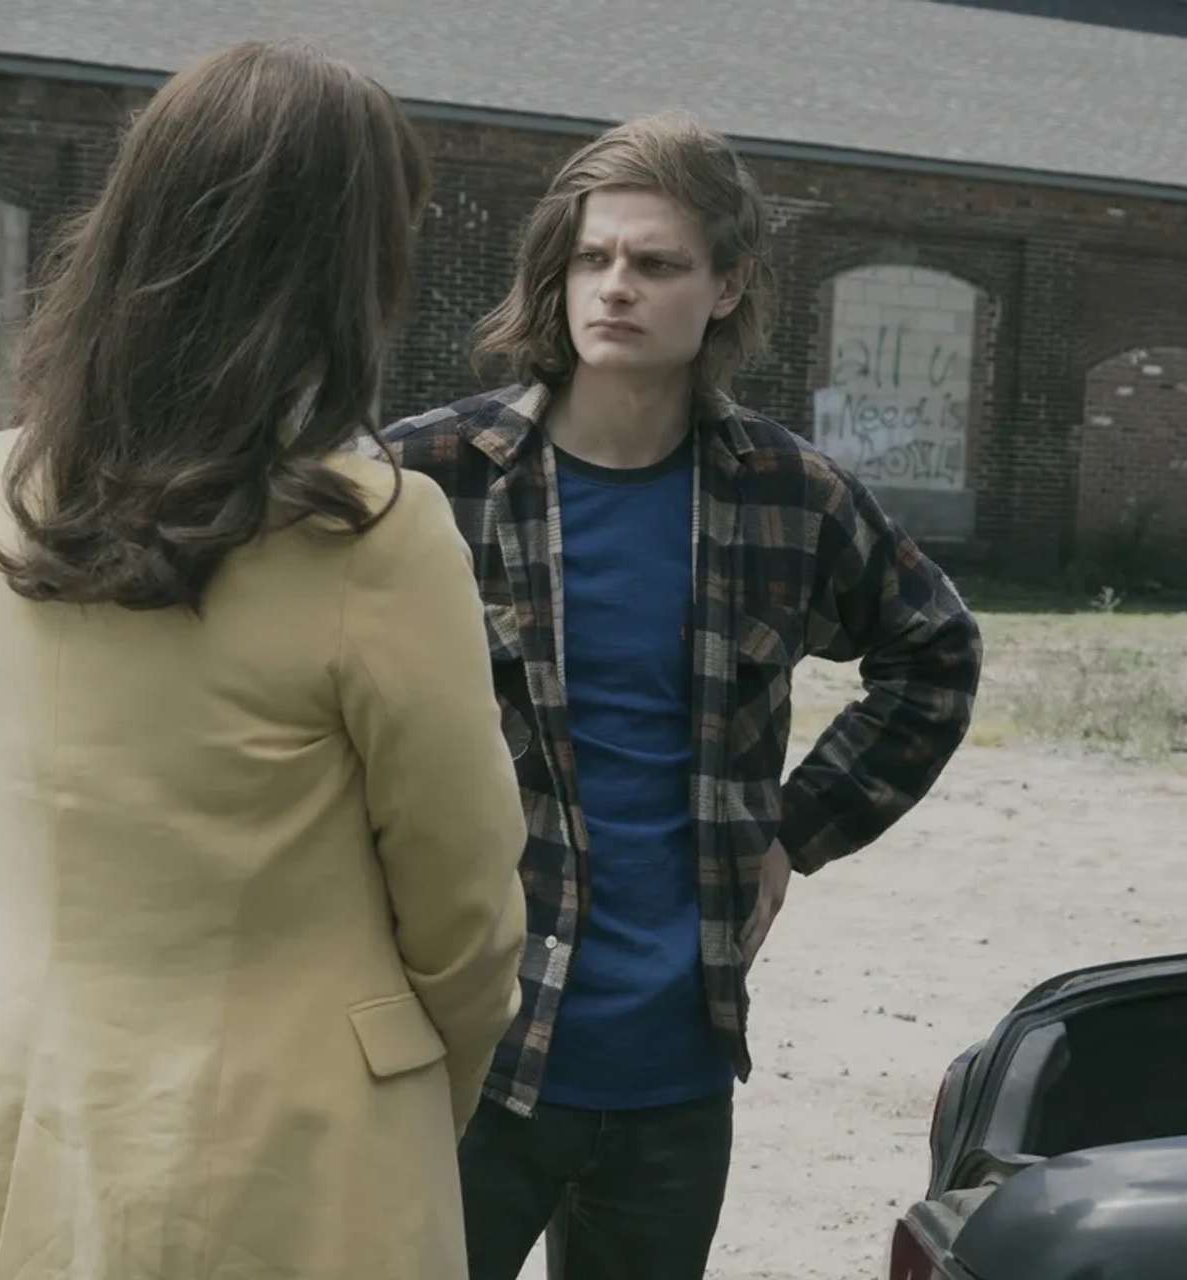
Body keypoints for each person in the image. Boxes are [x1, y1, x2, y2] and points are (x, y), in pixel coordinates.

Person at [0, 41, 529, 1280]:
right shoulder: (372, 534)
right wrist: (418, 1093)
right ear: (342, 266)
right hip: (286, 1149)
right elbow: (464, 910)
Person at [369, 113, 985, 1279]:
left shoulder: (786, 494)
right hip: (465, 1054)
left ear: (725, 287)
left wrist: (798, 829)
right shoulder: (424, 479)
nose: (614, 287)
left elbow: (936, 651)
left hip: (676, 1072)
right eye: (592, 258)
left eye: (655, 263)